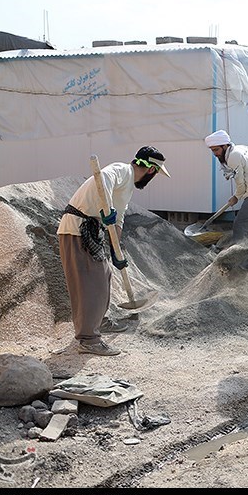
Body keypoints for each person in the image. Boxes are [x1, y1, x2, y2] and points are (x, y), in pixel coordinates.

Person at [57, 146, 171, 356]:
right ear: (151, 170)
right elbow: (103, 180)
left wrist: (116, 252)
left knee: (104, 275)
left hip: (89, 231)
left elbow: (118, 220)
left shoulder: (128, 187)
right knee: (91, 283)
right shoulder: (120, 170)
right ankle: (88, 339)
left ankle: (100, 321)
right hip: (76, 229)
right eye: (155, 174)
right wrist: (105, 207)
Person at [204, 130, 248, 250]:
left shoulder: (233, 156)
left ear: (225, 146)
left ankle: (236, 256)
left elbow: (241, 183)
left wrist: (236, 197)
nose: (215, 154)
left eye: (216, 150)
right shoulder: (241, 148)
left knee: (240, 225)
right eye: (212, 150)